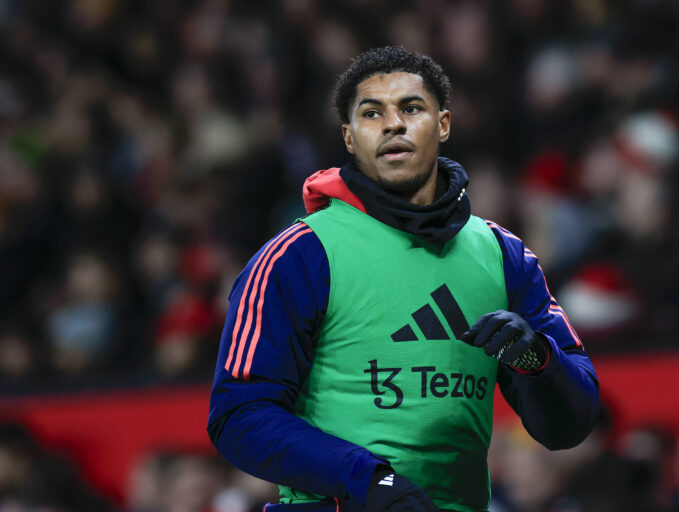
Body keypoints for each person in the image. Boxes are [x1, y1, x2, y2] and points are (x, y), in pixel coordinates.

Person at [207, 46, 599, 512]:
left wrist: (539, 361)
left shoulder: (504, 255)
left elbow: (571, 425)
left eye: (411, 108)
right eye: (372, 113)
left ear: (444, 124)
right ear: (350, 139)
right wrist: (367, 481)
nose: (393, 124)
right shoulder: (298, 254)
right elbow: (238, 415)